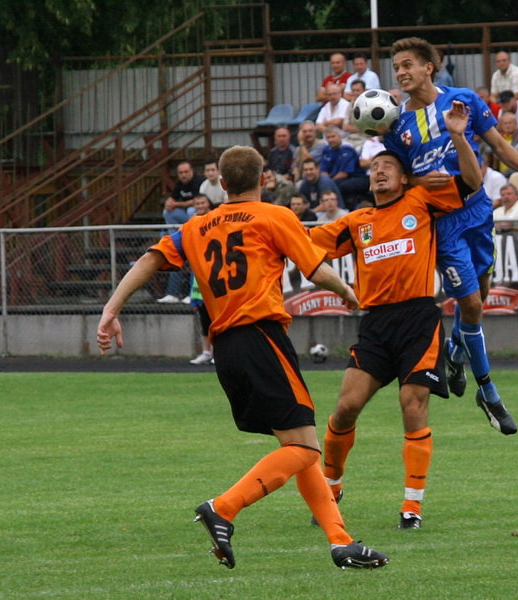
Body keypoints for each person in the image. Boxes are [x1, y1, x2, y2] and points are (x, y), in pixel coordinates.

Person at [96, 145, 388, 571]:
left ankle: (340, 542)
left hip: (225, 349)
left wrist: (111, 309)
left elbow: (150, 259)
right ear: (262, 178)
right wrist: (348, 293)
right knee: (306, 446)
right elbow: (316, 267)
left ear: (222, 184)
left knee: (296, 443)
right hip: (260, 336)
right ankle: (224, 507)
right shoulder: (274, 216)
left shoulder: (197, 225)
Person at [308, 100, 483, 529]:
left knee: (413, 405)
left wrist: (458, 135)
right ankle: (331, 483)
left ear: (404, 177)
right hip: (376, 324)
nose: (379, 171)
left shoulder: (422, 201)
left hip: (419, 319)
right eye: (374, 168)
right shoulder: (357, 221)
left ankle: (412, 506)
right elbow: (305, 242)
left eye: (388, 166)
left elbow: (472, 183)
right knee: (346, 407)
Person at [384, 37, 518, 433]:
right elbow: (396, 180)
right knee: (472, 305)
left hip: (479, 209)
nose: (400, 73)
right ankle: (489, 392)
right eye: (396, 67)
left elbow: (497, 143)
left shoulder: (461, 100)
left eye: (407, 65)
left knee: (479, 299)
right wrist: (418, 178)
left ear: (428, 67)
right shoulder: (396, 123)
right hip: (442, 225)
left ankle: (454, 351)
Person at [158, 161, 205, 303]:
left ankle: (192, 295)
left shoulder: (200, 183)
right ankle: (172, 293)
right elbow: (173, 198)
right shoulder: (179, 184)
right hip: (183, 222)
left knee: (192, 210)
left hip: (199, 230)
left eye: (186, 172)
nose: (183, 175)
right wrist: (170, 202)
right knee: (168, 211)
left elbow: (197, 203)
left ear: (192, 171)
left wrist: (176, 204)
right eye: (181, 173)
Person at [188, 195, 216, 365]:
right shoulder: (192, 224)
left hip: (215, 278)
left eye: (202, 202)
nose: (200, 205)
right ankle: (206, 352)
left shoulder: (215, 221)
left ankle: (216, 352)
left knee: (217, 321)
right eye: (197, 203)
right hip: (199, 278)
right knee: (204, 320)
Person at [319, 127, 369, 209]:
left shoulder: (347, 150)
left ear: (340, 136)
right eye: (328, 137)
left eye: (333, 136)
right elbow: (324, 171)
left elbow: (344, 173)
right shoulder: (326, 150)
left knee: (341, 186)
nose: (331, 140)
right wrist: (327, 181)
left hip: (355, 177)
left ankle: (344, 208)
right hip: (335, 179)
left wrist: (330, 183)